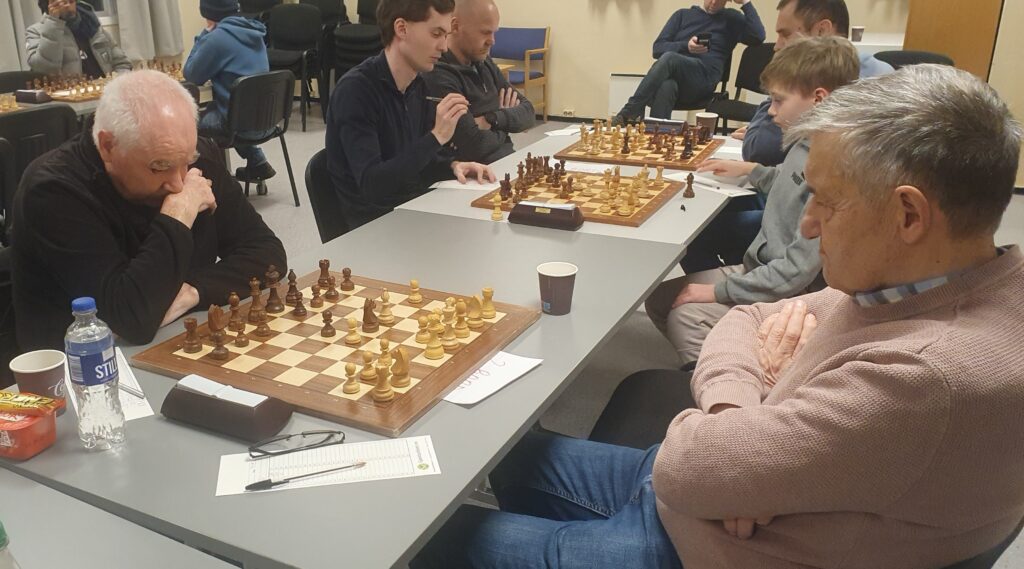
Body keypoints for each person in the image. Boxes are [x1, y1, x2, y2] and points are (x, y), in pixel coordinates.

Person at [412, 63, 1024, 569]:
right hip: (706, 498)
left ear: (909, 216)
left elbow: (688, 469)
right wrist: (745, 418)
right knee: (502, 455)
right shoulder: (924, 277)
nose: (809, 225)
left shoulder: (928, 377)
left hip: (702, 548)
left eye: (826, 201)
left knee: (437, 544)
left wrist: (737, 438)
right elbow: (747, 321)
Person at [12, 70, 286, 351]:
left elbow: (268, 254)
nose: (178, 183)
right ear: (108, 146)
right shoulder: (53, 191)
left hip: (177, 338)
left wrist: (192, 291)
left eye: (186, 162)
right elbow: (131, 320)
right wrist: (179, 213)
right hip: (83, 364)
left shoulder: (189, 156)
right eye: (159, 167)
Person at [644, 36, 857, 367]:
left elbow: (795, 273)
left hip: (793, 295)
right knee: (659, 299)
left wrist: (719, 292)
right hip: (759, 268)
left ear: (818, 99)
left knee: (686, 317)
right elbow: (788, 181)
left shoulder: (833, 166)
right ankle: (730, 356)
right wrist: (752, 171)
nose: (770, 111)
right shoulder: (805, 142)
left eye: (778, 101)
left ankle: (732, 383)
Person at [326, 0, 496, 230]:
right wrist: (436, 137)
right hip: (374, 226)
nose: (444, 47)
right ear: (401, 29)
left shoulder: (418, 85)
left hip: (415, 208)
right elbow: (373, 185)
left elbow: (416, 161)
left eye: (446, 35)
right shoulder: (356, 91)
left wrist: (452, 165)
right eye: (436, 34)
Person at [738, 0, 893, 166]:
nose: (777, 46)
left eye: (786, 35)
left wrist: (756, 131)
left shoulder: (867, 83)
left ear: (821, 31)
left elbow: (759, 149)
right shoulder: (881, 73)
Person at [611, 0, 765, 125]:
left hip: (704, 80)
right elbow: (657, 49)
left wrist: (745, 3)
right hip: (678, 83)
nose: (713, 2)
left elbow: (758, 37)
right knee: (667, 85)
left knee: (670, 58)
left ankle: (629, 112)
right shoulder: (682, 15)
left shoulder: (732, 19)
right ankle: (657, 136)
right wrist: (686, 46)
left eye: (719, 0)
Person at [422, 0, 535, 164]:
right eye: (485, 32)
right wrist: (506, 125)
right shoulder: (438, 73)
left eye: (494, 33)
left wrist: (491, 118)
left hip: (507, 162)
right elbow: (474, 145)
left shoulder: (484, 62)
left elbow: (529, 113)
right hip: (475, 174)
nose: (492, 41)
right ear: (455, 26)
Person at [184, 0, 275, 182]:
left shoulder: (217, 38)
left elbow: (191, 74)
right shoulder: (254, 31)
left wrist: (204, 35)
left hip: (240, 126)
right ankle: (257, 161)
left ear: (209, 14)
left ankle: (215, 178)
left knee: (188, 123)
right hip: (268, 119)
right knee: (231, 109)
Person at [25, 0, 132, 78]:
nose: (67, 4)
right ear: (48, 5)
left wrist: (116, 85)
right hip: (69, 97)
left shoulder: (93, 25)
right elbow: (44, 70)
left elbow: (122, 64)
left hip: (105, 93)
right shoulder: (35, 31)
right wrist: (53, 22)